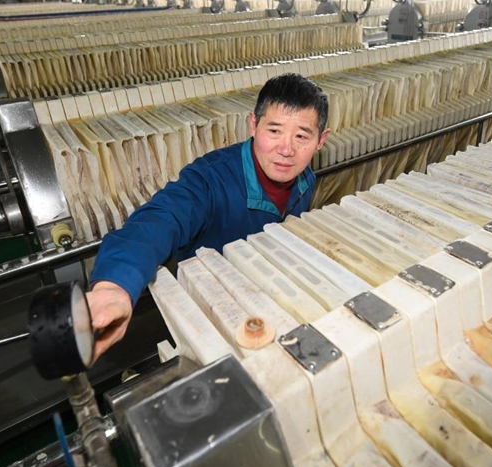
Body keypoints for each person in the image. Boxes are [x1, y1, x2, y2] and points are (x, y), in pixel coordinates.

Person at [86, 73, 330, 360]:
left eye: (301, 136)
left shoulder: (305, 180)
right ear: (253, 125)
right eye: (274, 131)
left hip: (265, 293)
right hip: (209, 310)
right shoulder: (210, 180)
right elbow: (160, 220)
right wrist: (115, 284)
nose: (287, 149)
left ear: (320, 141)